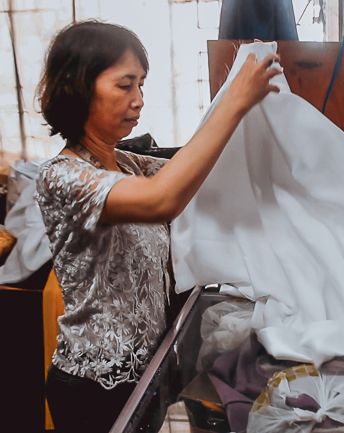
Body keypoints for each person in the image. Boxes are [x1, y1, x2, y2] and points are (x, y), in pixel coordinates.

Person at [35, 20, 281, 433]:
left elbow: (203, 172)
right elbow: (163, 199)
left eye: (142, 85)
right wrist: (233, 102)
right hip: (92, 386)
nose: (138, 100)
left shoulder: (130, 164)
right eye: (125, 85)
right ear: (79, 88)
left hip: (148, 375)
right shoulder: (62, 176)